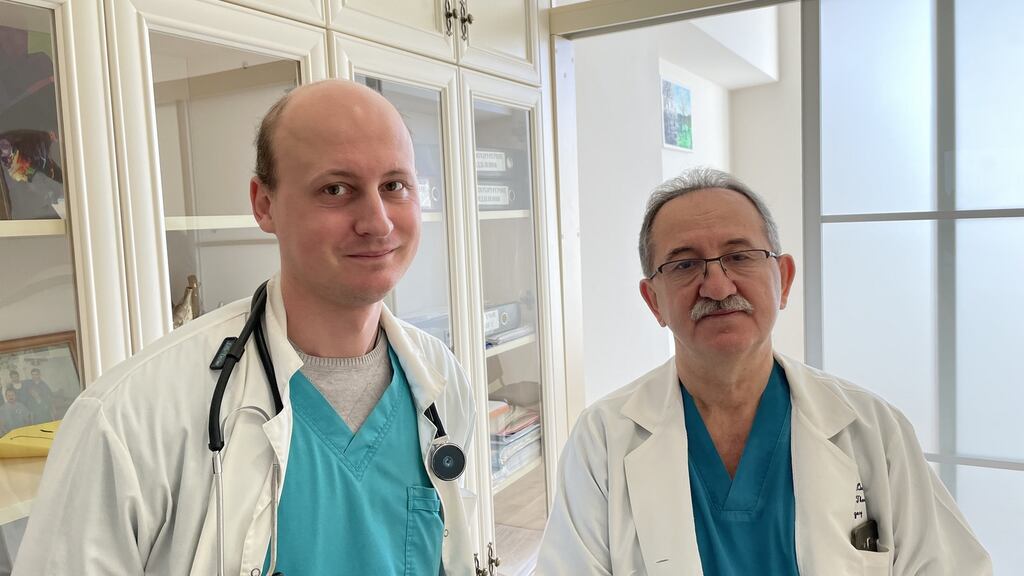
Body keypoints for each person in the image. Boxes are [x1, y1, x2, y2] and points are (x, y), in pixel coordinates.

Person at [14, 80, 477, 575]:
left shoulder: (437, 378)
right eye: (335, 189)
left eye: (394, 186)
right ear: (263, 204)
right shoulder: (128, 420)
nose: (378, 222)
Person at [536, 167, 990, 575]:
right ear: (654, 300)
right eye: (685, 264)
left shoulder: (875, 430)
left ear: (784, 280)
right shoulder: (602, 440)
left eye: (740, 256)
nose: (716, 286)